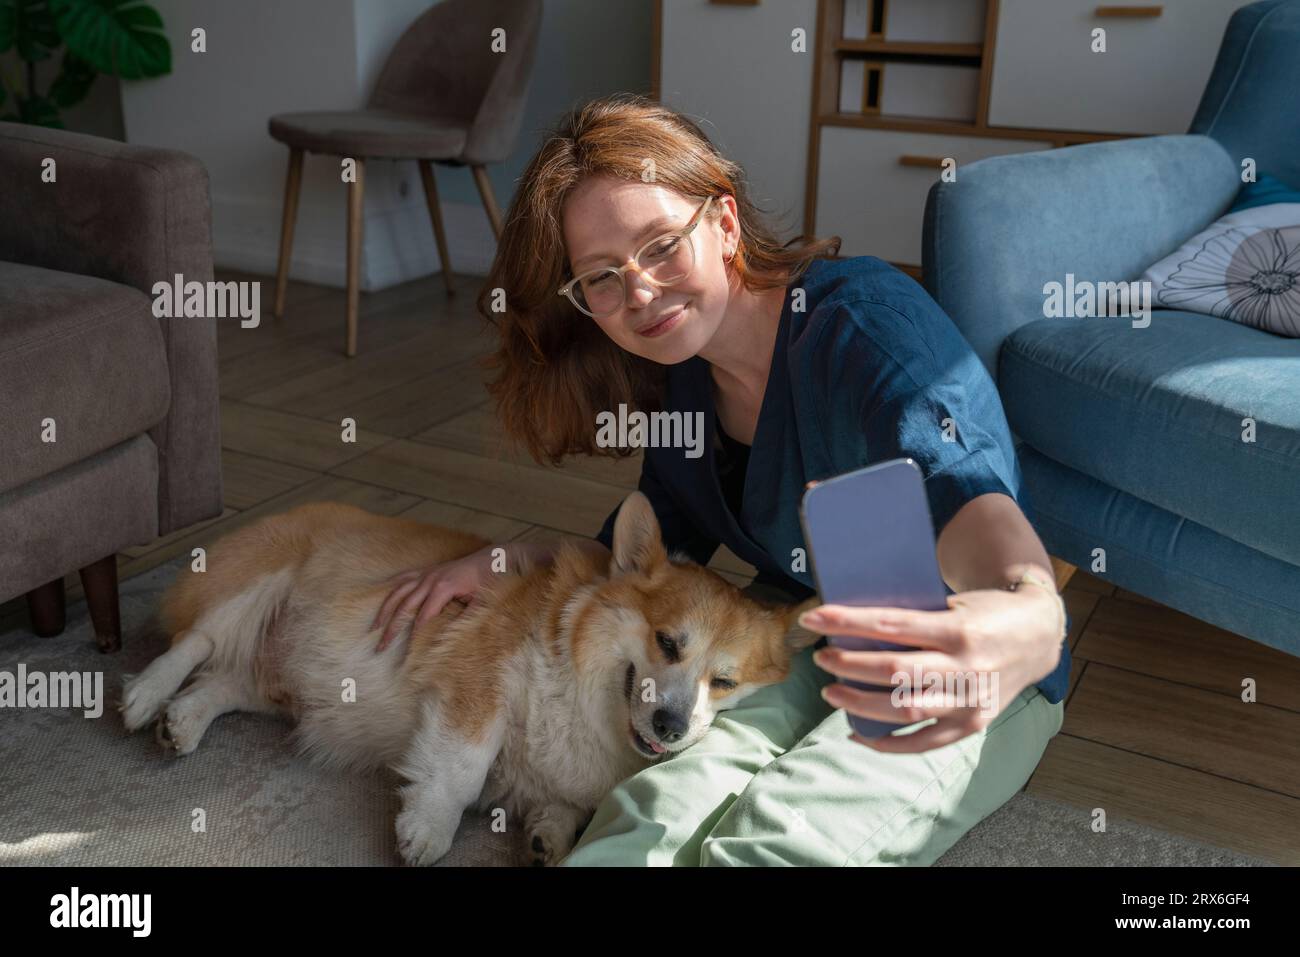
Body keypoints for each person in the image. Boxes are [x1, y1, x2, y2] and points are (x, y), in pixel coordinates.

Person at [371, 93, 1070, 866]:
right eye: (601, 277)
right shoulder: (683, 379)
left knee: (773, 839)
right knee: (649, 813)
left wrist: (1028, 620)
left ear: (726, 224)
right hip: (792, 630)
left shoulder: (864, 334)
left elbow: (974, 505)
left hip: (959, 654)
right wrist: (500, 559)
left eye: (660, 245)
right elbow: (634, 562)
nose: (638, 291)